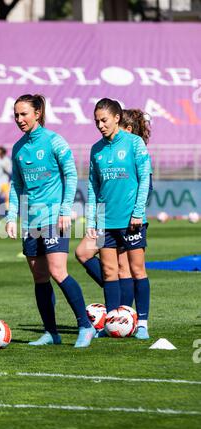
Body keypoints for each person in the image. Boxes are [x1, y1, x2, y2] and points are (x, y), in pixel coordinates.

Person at [5, 94, 95, 348]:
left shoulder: (55, 141)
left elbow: (71, 174)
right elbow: (17, 184)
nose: (19, 119)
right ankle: (51, 332)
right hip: (31, 222)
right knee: (40, 277)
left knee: (58, 271)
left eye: (24, 114)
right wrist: (12, 216)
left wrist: (66, 209)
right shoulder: (18, 148)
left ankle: (85, 326)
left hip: (54, 217)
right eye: (16, 115)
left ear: (37, 113)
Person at [79, 98, 151, 340]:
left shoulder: (135, 143)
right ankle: (112, 323)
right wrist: (92, 222)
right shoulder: (96, 149)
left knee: (137, 270)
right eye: (96, 121)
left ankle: (141, 323)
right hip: (105, 222)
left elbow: (144, 181)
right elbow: (93, 186)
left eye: (104, 120)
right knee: (109, 272)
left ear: (117, 118)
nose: (100, 125)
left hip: (131, 220)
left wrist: (138, 212)